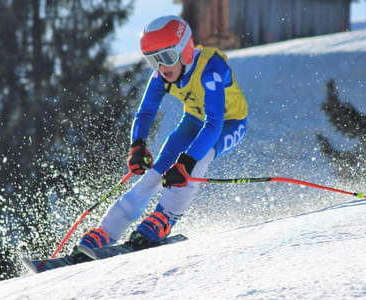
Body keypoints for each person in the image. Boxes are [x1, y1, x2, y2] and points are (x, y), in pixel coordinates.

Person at [79, 15, 248, 249]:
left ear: (185, 51)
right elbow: (145, 111)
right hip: (193, 121)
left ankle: (165, 217)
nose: (162, 67)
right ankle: (107, 231)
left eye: (167, 57)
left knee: (199, 158)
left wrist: (187, 162)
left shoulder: (211, 69)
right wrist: (137, 145)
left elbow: (214, 123)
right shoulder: (162, 75)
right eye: (153, 60)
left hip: (229, 123)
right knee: (156, 172)